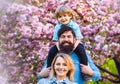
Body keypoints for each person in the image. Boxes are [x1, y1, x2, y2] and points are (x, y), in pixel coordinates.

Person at [47, 5, 89, 81]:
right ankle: (48, 70)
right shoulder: (57, 27)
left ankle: (85, 71)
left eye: (65, 15)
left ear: (70, 16)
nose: (62, 18)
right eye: (60, 17)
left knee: (81, 51)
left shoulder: (74, 25)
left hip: (74, 43)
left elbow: (78, 38)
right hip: (61, 43)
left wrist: (73, 47)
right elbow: (56, 40)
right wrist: (59, 48)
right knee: (52, 51)